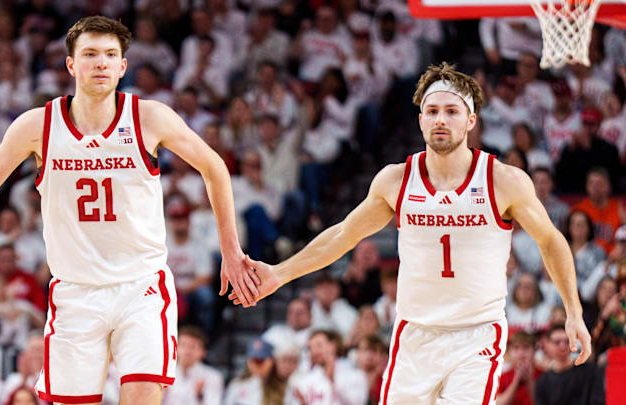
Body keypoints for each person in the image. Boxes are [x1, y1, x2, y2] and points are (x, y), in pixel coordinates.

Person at [234, 62, 591, 404]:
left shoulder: (503, 180)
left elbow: (551, 240)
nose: (441, 119)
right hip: (414, 334)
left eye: (452, 111)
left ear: (471, 120)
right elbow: (343, 235)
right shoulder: (396, 180)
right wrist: (279, 274)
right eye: (432, 111)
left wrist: (573, 312)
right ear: (420, 121)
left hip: (476, 334)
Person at [0, 16, 259, 405]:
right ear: (71, 65)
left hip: (141, 286)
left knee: (142, 394)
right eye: (90, 54)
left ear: (122, 66)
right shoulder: (38, 125)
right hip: (76, 290)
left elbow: (214, 167)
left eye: (110, 55)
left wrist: (231, 251)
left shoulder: (148, 117)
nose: (101, 63)